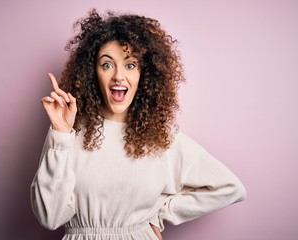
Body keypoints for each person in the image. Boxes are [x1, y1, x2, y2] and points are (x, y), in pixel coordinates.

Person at [30, 9, 246, 240]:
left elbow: (231, 188)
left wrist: (160, 215)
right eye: (106, 65)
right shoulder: (68, 135)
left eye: (130, 65)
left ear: (145, 74)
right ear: (93, 73)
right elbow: (50, 217)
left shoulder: (162, 140)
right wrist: (61, 133)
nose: (118, 77)